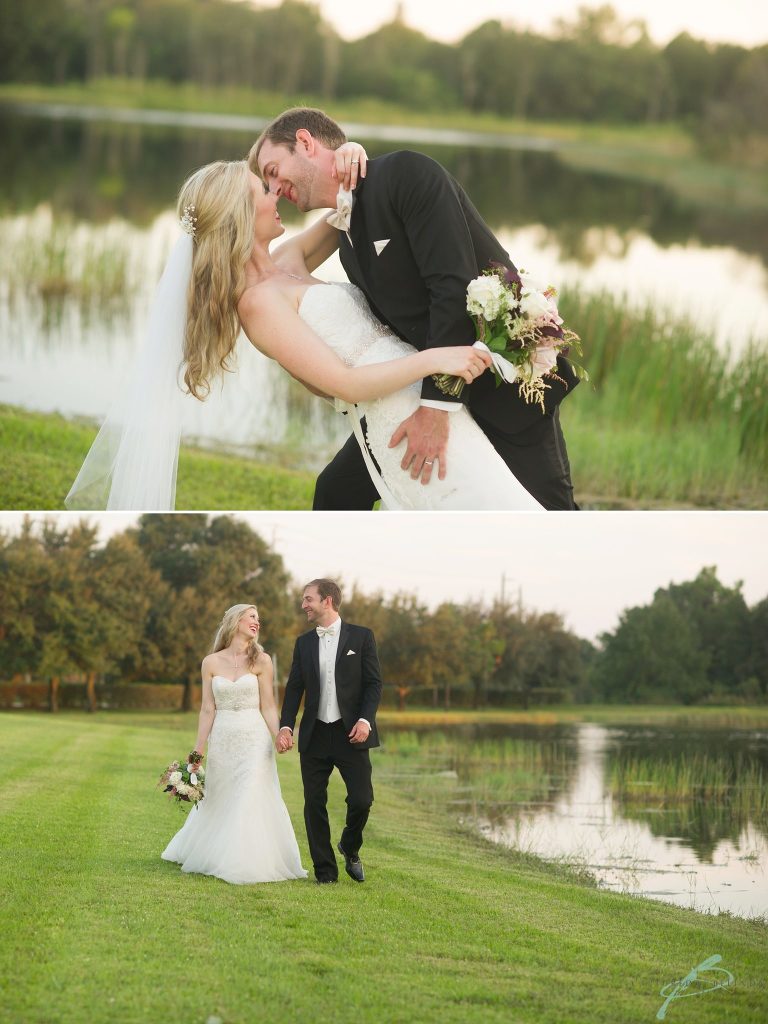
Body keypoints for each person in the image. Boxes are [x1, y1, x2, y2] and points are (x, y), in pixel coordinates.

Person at [65, 144, 541, 510]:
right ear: (240, 218)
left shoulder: (287, 260)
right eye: (262, 192)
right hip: (398, 423)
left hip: (426, 400)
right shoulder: (257, 307)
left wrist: (350, 154)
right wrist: (437, 358)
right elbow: (342, 383)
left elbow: (346, 204)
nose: (276, 196)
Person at [251, 107, 580, 511]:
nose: (273, 187)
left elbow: (453, 287)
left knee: (551, 513)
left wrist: (435, 410)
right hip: (411, 397)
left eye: (271, 170)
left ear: (305, 142)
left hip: (504, 390)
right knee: (337, 491)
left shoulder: (407, 175)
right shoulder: (344, 232)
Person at [161, 603, 307, 884]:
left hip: (254, 739)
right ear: (235, 620)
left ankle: (244, 862)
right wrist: (198, 750)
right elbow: (207, 709)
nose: (257, 622)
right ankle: (216, 854)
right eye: (252, 617)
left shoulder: (262, 661)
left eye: (259, 619)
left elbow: (268, 706)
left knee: (248, 792)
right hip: (223, 738)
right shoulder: (211, 662)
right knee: (223, 796)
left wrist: (280, 734)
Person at [278, 579, 381, 884]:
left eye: (308, 599)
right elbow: (295, 688)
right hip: (315, 735)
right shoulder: (303, 643)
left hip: (352, 734)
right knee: (314, 804)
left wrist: (365, 720)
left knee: (362, 799)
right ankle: (326, 873)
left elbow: (374, 684)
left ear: (327, 601)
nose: (303, 605)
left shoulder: (362, 637)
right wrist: (286, 725)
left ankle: (349, 846)